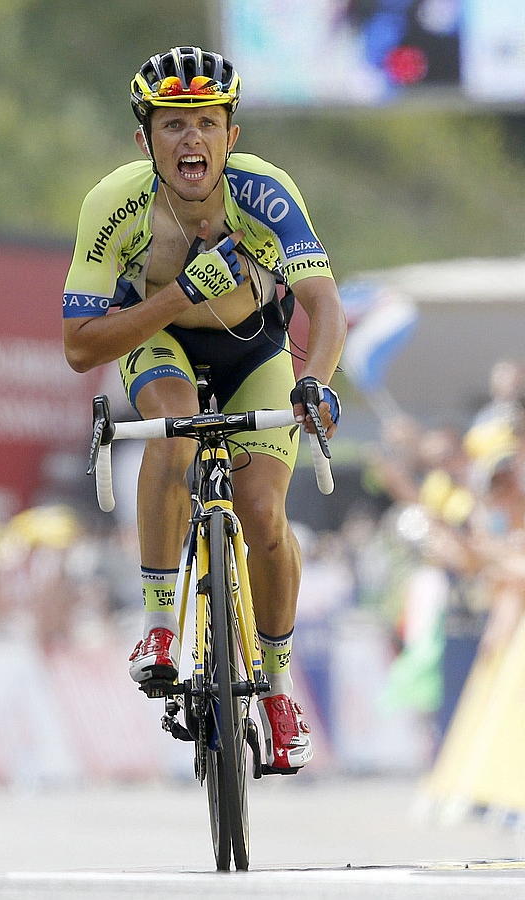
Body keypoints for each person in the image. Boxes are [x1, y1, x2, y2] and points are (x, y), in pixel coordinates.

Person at [61, 46, 347, 773]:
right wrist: (178, 295)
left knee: (261, 511)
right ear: (143, 141)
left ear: (231, 136)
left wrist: (312, 382)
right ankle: (159, 625)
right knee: (174, 433)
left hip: (254, 349)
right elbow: (78, 346)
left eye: (205, 124)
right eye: (172, 125)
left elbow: (322, 305)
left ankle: (277, 690)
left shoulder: (267, 193)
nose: (190, 140)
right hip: (159, 341)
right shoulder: (114, 203)